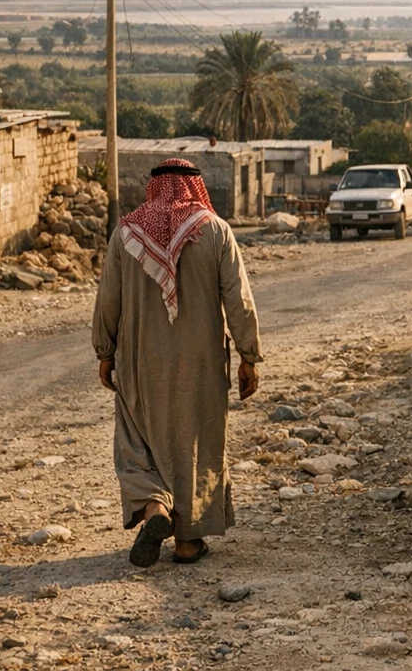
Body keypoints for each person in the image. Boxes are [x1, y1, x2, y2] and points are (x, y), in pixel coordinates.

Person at [93, 158, 261, 567]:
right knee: (196, 443)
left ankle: (155, 510)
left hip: (139, 359)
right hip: (201, 362)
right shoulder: (215, 230)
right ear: (194, 187)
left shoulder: (127, 233)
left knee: (137, 441)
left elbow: (108, 300)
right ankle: (188, 542)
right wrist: (249, 355)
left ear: (155, 188)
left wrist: (104, 351)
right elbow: (238, 301)